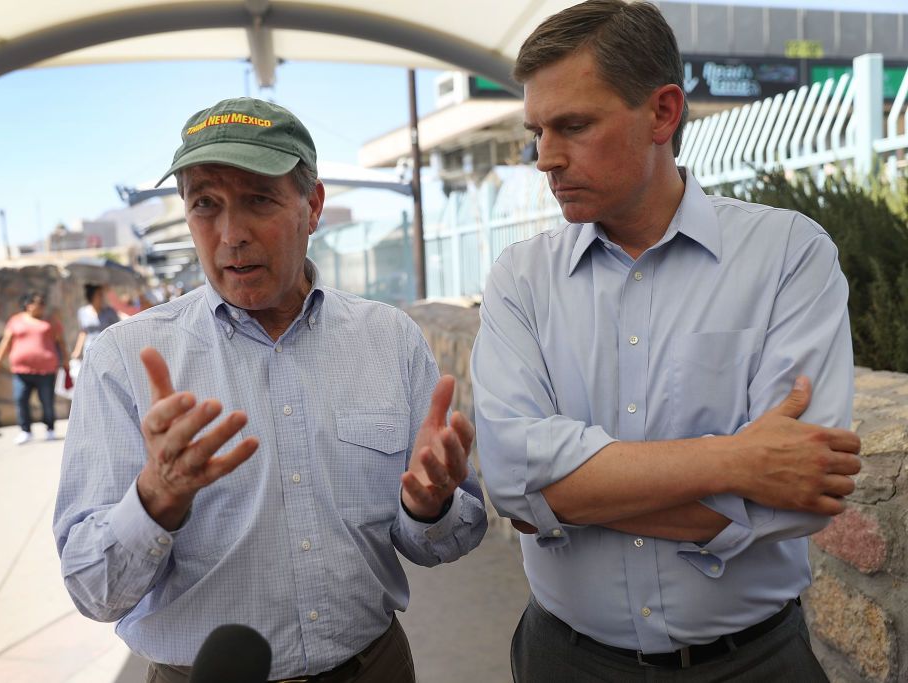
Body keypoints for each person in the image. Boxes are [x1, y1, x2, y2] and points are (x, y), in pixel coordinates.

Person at [470, 2, 862, 681]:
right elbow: (510, 476)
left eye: (574, 125)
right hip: (566, 659)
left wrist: (571, 495)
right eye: (537, 130)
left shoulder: (788, 255)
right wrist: (738, 460)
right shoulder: (520, 280)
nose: (545, 158)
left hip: (754, 663)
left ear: (663, 112)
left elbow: (798, 489)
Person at [53, 97, 487, 683]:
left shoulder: (389, 340)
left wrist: (427, 506)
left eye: (259, 199)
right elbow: (92, 590)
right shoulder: (124, 359)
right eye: (206, 204)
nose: (231, 234)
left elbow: (449, 534)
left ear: (313, 207)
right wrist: (156, 496)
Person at [0, 291, 70, 444]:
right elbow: (6, 342)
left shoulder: (51, 321)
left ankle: (50, 429)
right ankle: (25, 431)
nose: (42, 307)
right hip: (21, 371)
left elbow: (61, 343)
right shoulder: (15, 321)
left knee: (47, 400)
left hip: (46, 370)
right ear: (28, 305)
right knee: (20, 399)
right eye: (39, 303)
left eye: (43, 303)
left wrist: (65, 360)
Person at [70, 283, 120, 360]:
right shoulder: (82, 312)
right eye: (99, 295)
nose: (101, 297)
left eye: (102, 294)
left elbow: (117, 330)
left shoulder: (109, 312)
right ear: (92, 296)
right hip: (90, 349)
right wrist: (77, 351)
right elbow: (83, 332)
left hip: (106, 349)